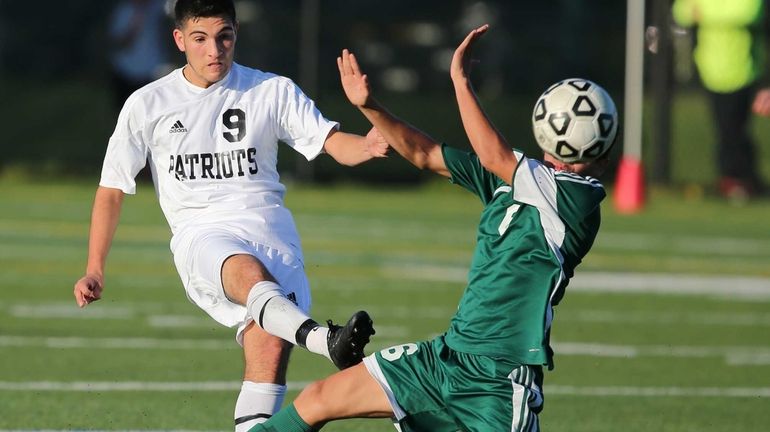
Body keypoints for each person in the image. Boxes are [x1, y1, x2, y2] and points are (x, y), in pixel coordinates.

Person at [250, 24, 613, 432]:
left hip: (499, 381)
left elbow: (493, 154)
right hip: (445, 358)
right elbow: (424, 153)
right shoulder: (511, 180)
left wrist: (460, 81)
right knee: (318, 398)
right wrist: (369, 106)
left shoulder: (579, 198)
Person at [73, 0, 382, 430]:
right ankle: (324, 340)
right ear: (179, 39)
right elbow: (111, 190)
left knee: (269, 354)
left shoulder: (271, 91)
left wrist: (365, 145)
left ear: (236, 32)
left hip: (273, 233)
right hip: (202, 235)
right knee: (248, 272)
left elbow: (332, 143)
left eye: (224, 36)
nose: (214, 49)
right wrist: (94, 268)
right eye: (200, 39)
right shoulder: (147, 103)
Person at [672, 0, 767, 201]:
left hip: (744, 70)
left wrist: (705, 13)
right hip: (712, 71)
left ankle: (742, 179)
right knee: (725, 128)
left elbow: (748, 13)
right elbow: (681, 12)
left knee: (736, 129)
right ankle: (734, 179)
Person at [107, 0, 170, 112]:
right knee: (124, 113)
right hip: (126, 71)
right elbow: (120, 43)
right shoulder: (125, 11)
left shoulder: (158, 8)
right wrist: (136, 20)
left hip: (151, 72)